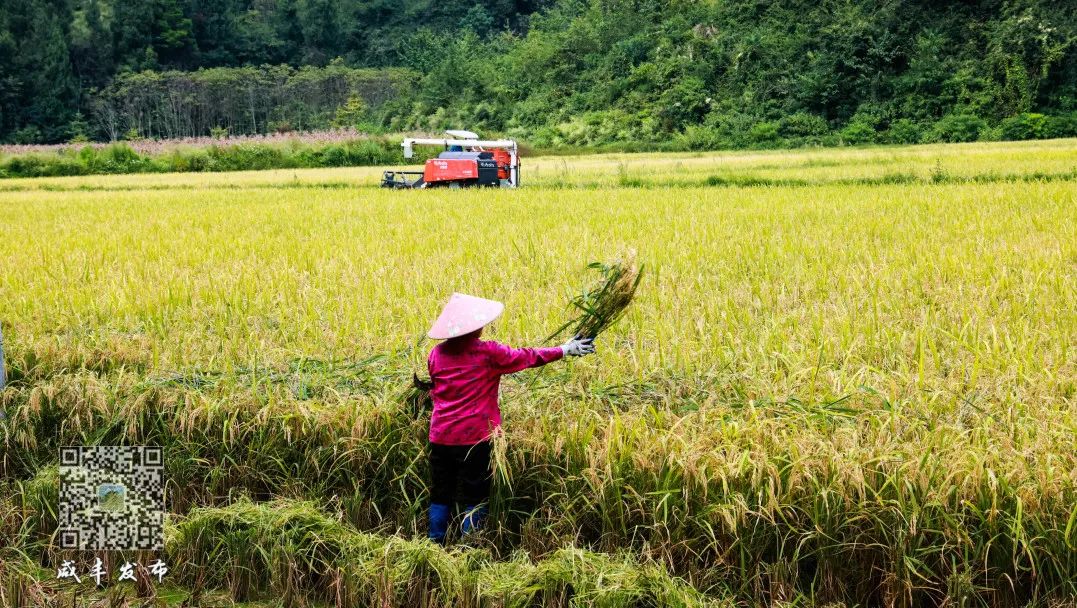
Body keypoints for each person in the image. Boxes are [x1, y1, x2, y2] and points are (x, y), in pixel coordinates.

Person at [424, 292, 595, 544]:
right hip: (474, 438)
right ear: (473, 327)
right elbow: (527, 357)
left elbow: (436, 386)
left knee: (441, 492)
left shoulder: (436, 354)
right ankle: (470, 545)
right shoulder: (489, 353)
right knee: (474, 493)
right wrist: (564, 350)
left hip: (440, 437)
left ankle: (434, 542)